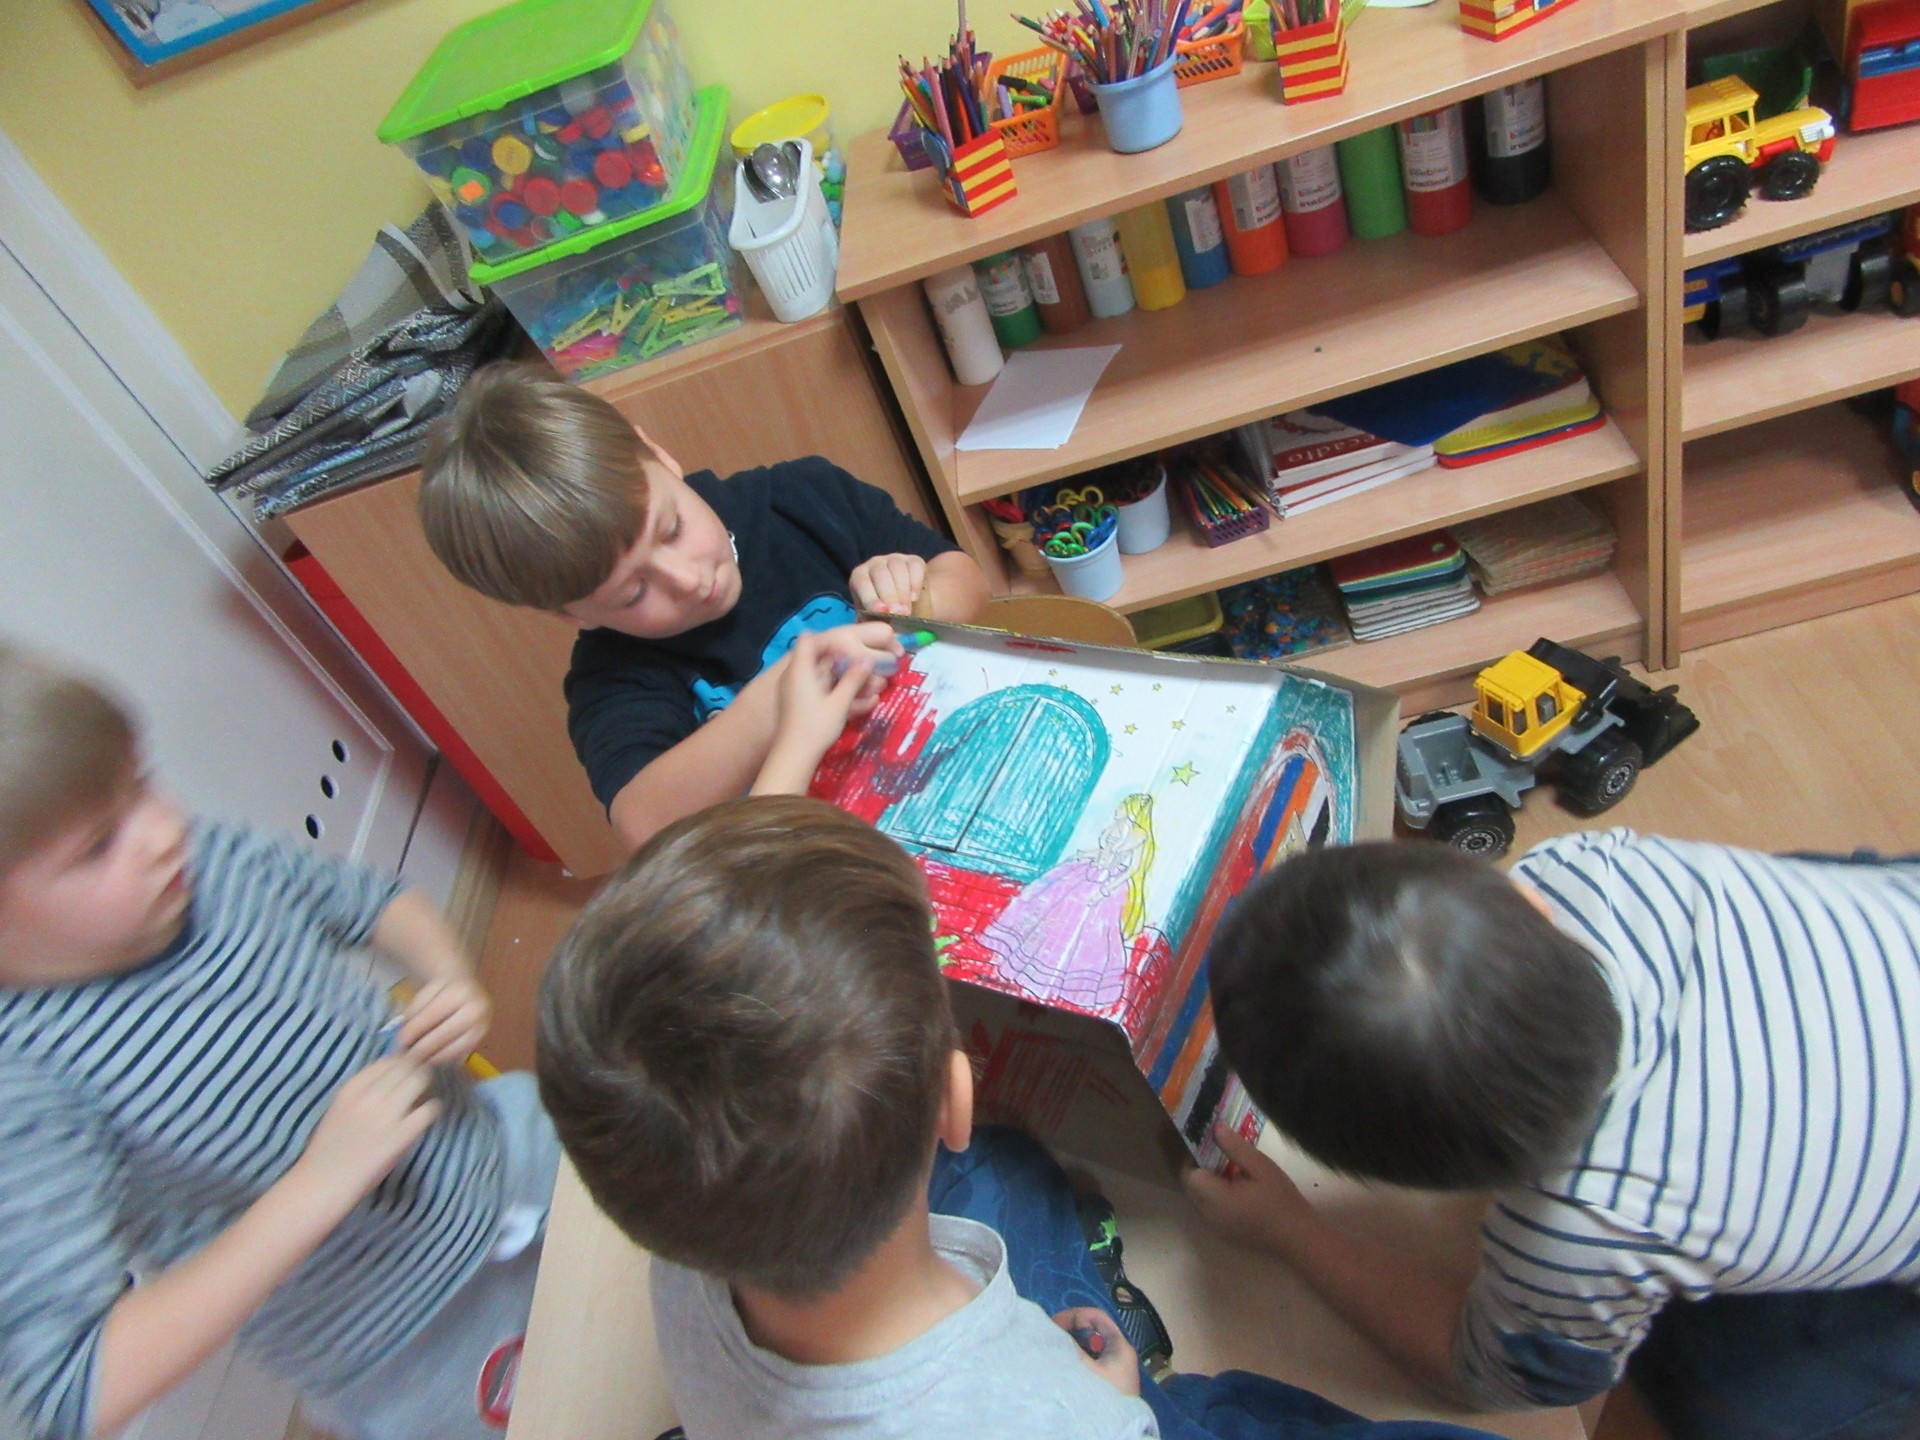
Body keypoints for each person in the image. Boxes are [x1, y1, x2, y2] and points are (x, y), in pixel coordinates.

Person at [0, 641, 560, 1440]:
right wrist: (320, 1183)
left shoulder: (204, 863)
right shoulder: (26, 1085)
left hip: (515, 1151)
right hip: (420, 1350)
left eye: (142, 783)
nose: (161, 833)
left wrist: (449, 978)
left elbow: (373, 901)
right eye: (96, 846)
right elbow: (77, 1392)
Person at [1193, 831, 1920, 1440]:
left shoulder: (1584, 1234)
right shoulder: (1592, 868)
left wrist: (1293, 1231)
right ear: (1527, 903)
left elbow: (1483, 1374)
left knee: (1710, 1390)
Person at [416, 362, 991, 851]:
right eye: (633, 593)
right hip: (828, 857)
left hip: (954, 779)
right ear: (574, 614)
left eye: (671, 530)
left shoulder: (801, 498)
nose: (688, 580)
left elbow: (969, 583)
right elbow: (642, 825)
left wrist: (914, 599)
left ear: (657, 455)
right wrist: (772, 704)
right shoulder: (613, 676)